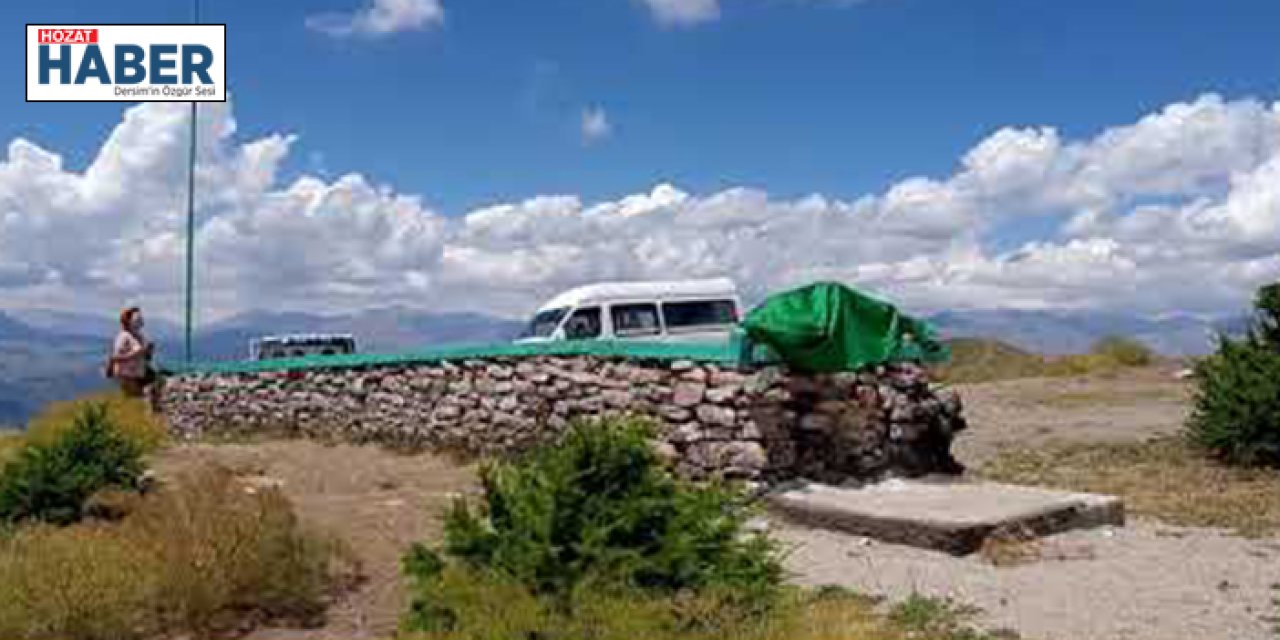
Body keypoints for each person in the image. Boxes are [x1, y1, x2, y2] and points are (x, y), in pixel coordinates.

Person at [107, 306, 155, 399]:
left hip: (138, 374)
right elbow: (116, 357)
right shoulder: (124, 336)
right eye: (137, 317)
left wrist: (148, 352)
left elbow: (146, 358)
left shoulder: (140, 336)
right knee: (136, 399)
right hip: (126, 375)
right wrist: (137, 352)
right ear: (129, 320)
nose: (141, 319)